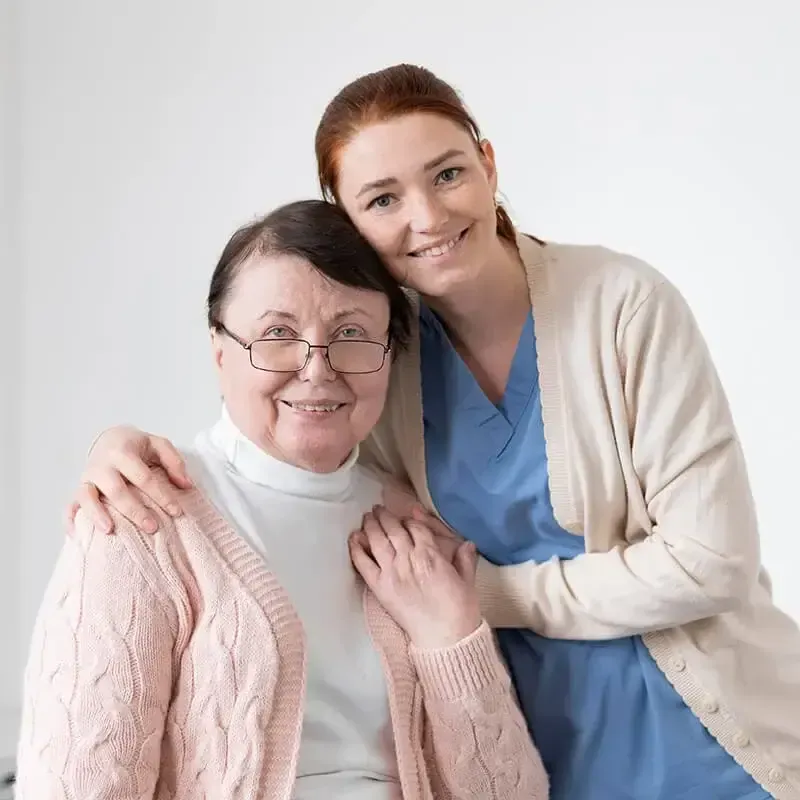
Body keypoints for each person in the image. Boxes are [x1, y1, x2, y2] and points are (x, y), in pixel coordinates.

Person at [65, 64, 800, 800]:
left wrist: (479, 594)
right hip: (535, 756)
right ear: (349, 219)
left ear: (487, 163)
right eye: (383, 198)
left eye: (447, 173)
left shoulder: (621, 306)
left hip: (720, 741)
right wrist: (116, 446)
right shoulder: (374, 354)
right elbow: (273, 413)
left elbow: (712, 563)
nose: (427, 216)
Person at [16, 199, 548, 800]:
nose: (316, 370)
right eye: (277, 334)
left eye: (351, 335)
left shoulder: (415, 525)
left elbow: (513, 793)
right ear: (220, 351)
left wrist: (451, 636)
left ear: (389, 356)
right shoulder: (140, 515)